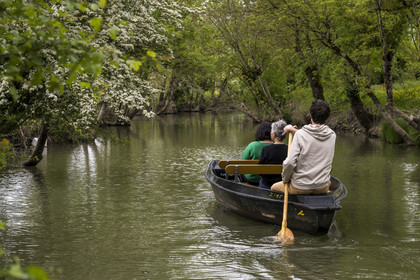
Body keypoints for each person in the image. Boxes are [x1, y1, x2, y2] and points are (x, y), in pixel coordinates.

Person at [271, 100, 336, 194]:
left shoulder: (300, 135)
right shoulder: (332, 135)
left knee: (273, 188)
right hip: (322, 186)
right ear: (326, 117)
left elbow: (289, 163)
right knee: (329, 182)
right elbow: (312, 138)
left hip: (300, 187)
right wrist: (293, 130)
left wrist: (285, 179)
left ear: (310, 116)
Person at [258, 119, 288, 189]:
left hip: (267, 184)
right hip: (282, 183)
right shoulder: (289, 149)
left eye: (271, 130)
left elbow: (260, 170)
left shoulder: (266, 149)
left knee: (261, 181)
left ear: (273, 134)